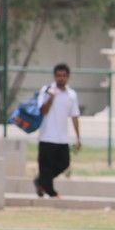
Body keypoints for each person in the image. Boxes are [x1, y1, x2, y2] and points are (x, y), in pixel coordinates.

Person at [33, 63, 81, 198]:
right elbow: (43, 111)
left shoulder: (71, 95)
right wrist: (51, 98)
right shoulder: (46, 90)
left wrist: (78, 137)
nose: (61, 78)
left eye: (64, 76)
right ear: (54, 76)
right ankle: (51, 192)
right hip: (46, 137)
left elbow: (75, 116)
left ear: (68, 77)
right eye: (58, 75)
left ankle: (40, 181)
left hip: (62, 138)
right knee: (46, 167)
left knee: (64, 164)